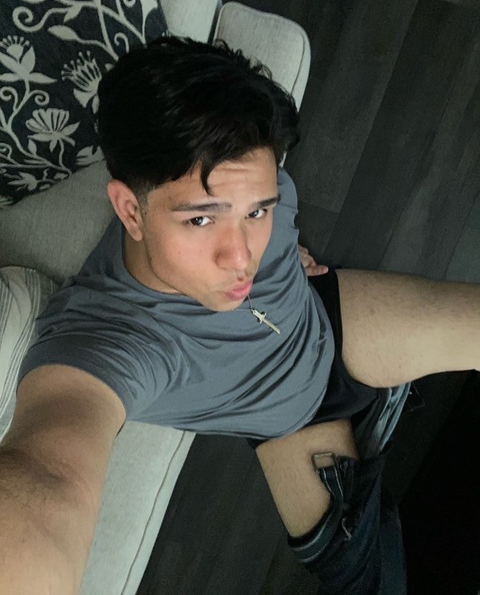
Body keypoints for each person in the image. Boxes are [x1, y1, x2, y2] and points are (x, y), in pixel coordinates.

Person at [0, 35, 479, 595]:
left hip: (329, 322)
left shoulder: (256, 179)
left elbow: (266, 215)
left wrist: (287, 247)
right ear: (130, 209)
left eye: (256, 211)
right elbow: (50, 479)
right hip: (292, 426)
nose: (242, 258)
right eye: (201, 220)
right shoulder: (101, 340)